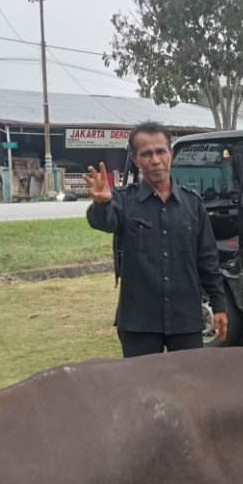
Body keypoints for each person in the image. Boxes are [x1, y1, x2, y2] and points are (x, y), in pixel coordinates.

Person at [84, 121, 228, 357]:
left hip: (186, 320)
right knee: (142, 391)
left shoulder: (193, 205)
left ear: (170, 153)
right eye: (146, 153)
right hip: (139, 323)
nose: (155, 160)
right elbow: (102, 221)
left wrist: (219, 305)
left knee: (187, 388)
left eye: (161, 151)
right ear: (135, 159)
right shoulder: (122, 201)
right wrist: (101, 203)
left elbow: (208, 261)